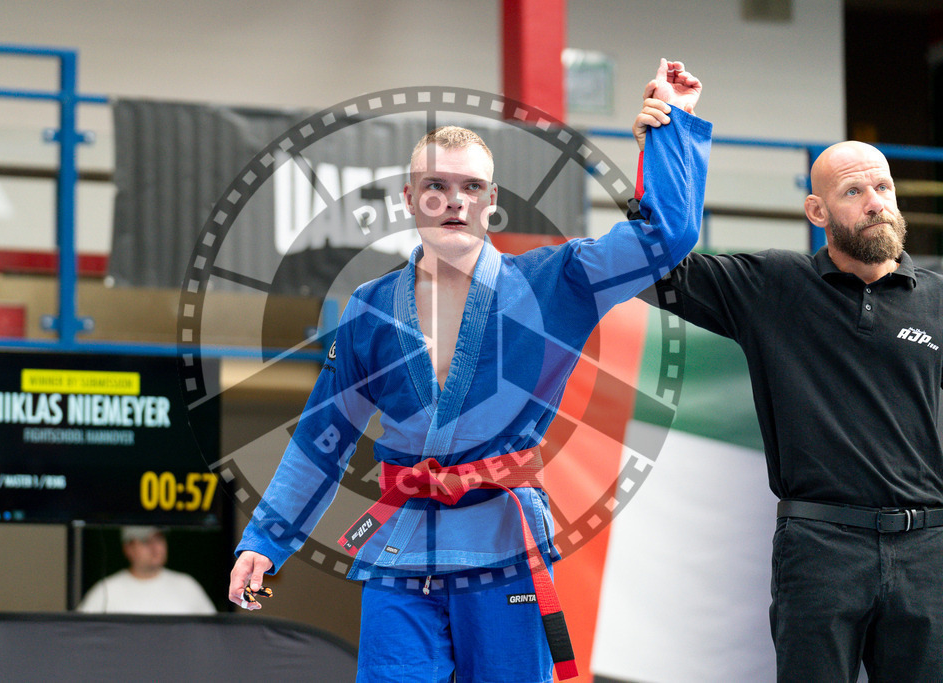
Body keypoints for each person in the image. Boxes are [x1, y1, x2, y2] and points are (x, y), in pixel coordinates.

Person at [229, 58, 710, 682]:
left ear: (490, 201)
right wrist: (264, 542)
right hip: (402, 556)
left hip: (504, 549)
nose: (453, 201)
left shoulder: (552, 283)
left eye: (470, 188)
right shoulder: (371, 307)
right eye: (435, 186)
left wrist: (671, 130)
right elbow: (325, 437)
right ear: (409, 198)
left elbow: (665, 237)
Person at [635, 130, 943, 678]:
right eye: (853, 192)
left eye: (883, 187)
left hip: (929, 551)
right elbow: (654, 267)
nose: (875, 202)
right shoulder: (776, 284)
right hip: (821, 548)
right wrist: (669, 142)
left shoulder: (938, 300)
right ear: (816, 211)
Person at [78, 526, 216, 615]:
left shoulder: (187, 585)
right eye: (145, 541)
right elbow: (80, 635)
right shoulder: (106, 590)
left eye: (159, 539)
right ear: (128, 549)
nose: (155, 547)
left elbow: (214, 635)